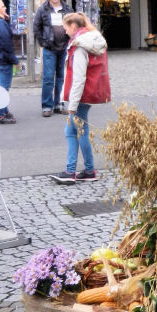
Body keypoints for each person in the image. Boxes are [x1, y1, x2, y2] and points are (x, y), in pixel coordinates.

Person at [51, 13, 107, 184]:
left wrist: (72, 104)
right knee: (73, 131)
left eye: (66, 27)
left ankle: (75, 171)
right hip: (87, 94)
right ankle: (85, 170)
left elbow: (79, 77)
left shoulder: (80, 46)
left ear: (73, 26)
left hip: (81, 96)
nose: (65, 31)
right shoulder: (88, 40)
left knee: (79, 132)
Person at [33, 0, 72, 117]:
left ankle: (59, 104)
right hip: (49, 48)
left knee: (62, 77)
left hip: (64, 48)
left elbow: (73, 25)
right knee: (49, 78)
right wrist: (42, 42)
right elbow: (36, 27)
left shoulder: (67, 8)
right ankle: (47, 106)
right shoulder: (42, 9)